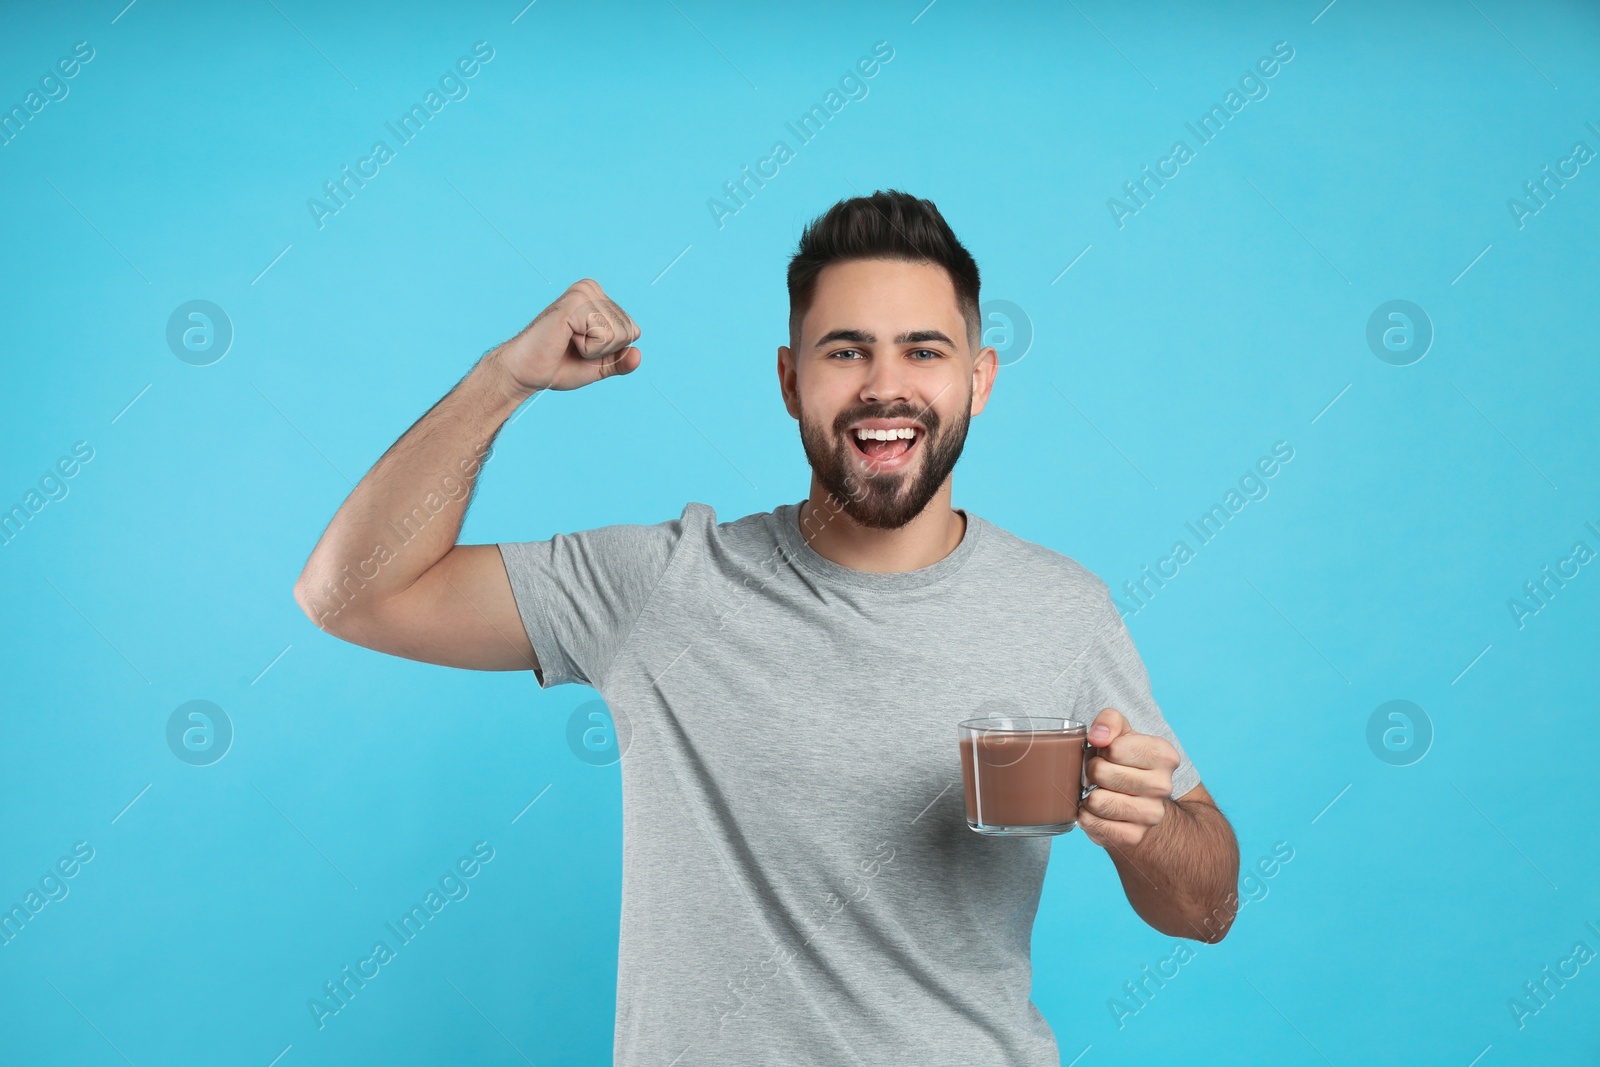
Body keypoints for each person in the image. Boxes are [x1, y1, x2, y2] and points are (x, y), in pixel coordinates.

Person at [294, 189, 1240, 1065]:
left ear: (979, 378)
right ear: (790, 380)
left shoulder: (1060, 608)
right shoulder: (662, 586)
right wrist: (506, 378)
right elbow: (351, 594)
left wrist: (1143, 825)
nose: (884, 385)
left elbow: (1208, 907)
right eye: (845, 350)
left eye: (924, 349)